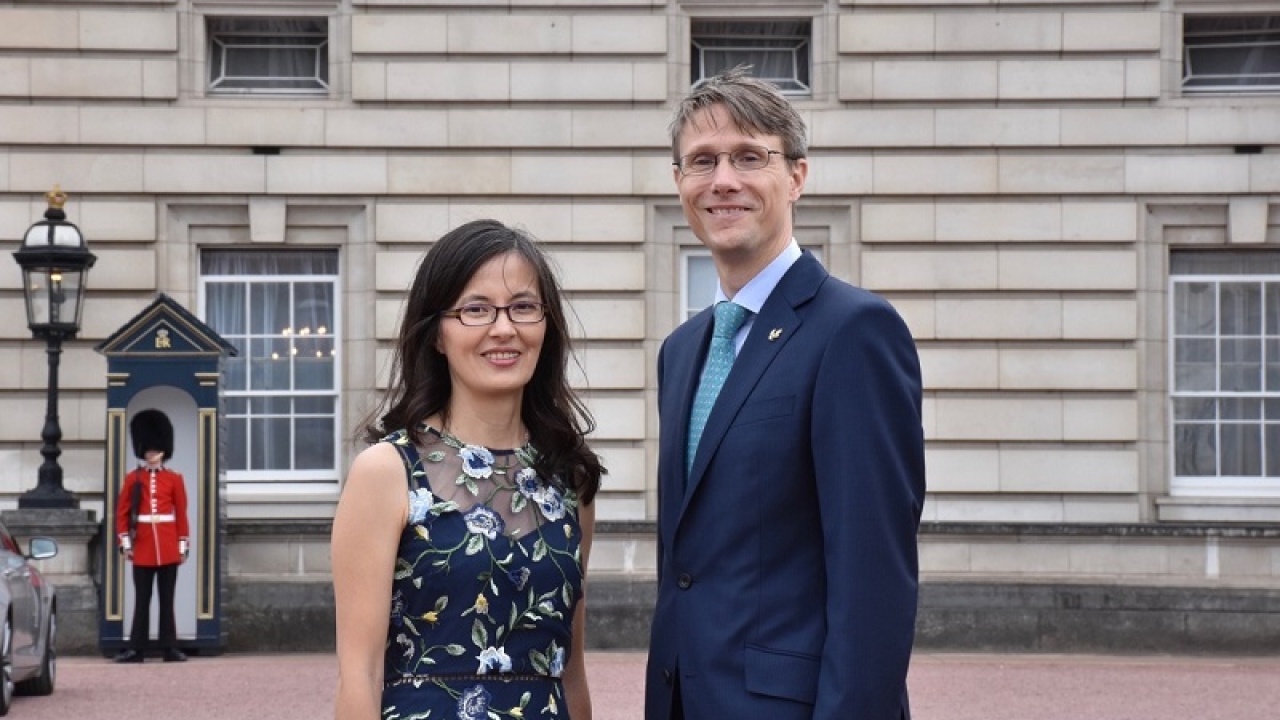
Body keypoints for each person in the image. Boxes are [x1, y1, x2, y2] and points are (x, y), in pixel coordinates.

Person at [644, 68, 927, 720]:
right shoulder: (682, 351)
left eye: (750, 157)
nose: (723, 180)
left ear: (797, 177)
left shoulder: (853, 332)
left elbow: (872, 578)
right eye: (701, 162)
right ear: (679, 183)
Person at [332, 220, 605, 720]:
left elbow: (571, 671)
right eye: (475, 310)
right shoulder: (387, 471)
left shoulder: (571, 481)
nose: (504, 328)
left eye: (523, 307)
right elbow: (360, 674)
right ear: (436, 333)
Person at [114, 408, 190, 663]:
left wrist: (182, 546)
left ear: (163, 451)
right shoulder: (133, 478)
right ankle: (137, 648)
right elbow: (122, 514)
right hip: (144, 546)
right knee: (142, 600)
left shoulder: (175, 479)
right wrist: (125, 544)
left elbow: (181, 514)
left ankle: (170, 647)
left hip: (167, 545)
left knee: (167, 600)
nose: (151, 455)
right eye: (147, 450)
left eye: (155, 450)